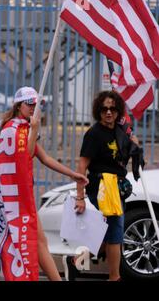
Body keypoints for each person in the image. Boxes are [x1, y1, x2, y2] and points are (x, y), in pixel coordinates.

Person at [0, 86, 88, 281]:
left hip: (15, 197)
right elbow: (26, 156)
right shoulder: (16, 129)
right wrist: (35, 129)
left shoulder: (17, 128)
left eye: (37, 105)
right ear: (19, 105)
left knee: (29, 242)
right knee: (10, 243)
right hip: (13, 199)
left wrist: (72, 174)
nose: (34, 108)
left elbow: (44, 158)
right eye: (30, 104)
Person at [75, 90, 138, 281]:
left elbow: (127, 158)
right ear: (98, 111)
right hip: (101, 186)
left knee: (109, 232)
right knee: (116, 228)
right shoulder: (94, 134)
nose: (108, 113)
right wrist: (80, 197)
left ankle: (76, 262)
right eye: (104, 109)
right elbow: (82, 165)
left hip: (118, 187)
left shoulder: (121, 132)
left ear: (118, 111)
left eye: (112, 109)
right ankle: (114, 277)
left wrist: (134, 145)